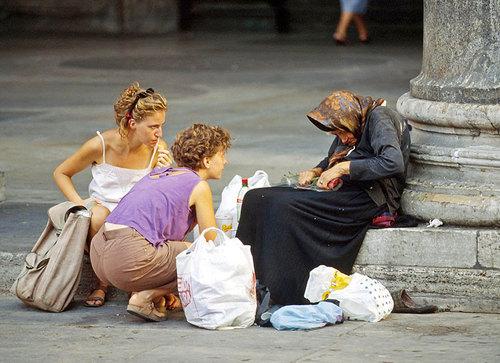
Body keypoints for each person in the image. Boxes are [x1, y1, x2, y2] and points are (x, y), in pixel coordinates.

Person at [236, 90, 410, 306]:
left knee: (282, 206)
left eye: (341, 132)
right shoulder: (354, 123)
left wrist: (343, 169)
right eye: (336, 134)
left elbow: (392, 162)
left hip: (370, 197)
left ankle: (281, 288)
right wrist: (316, 171)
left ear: (349, 118)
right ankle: (245, 282)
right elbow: (331, 159)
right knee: (257, 198)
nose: (343, 139)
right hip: (348, 189)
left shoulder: (378, 117)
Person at [89, 123, 231, 322]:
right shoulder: (198, 186)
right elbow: (210, 240)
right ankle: (145, 296)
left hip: (100, 255)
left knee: (180, 251)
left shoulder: (157, 174)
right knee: (204, 255)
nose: (226, 161)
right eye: (222, 155)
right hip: (128, 257)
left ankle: (153, 292)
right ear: (207, 160)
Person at [53, 82, 172, 307]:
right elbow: (61, 172)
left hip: (137, 212)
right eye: (153, 126)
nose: (159, 133)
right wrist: (80, 206)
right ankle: (101, 282)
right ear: (132, 122)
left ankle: (137, 283)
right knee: (98, 216)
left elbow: (161, 195)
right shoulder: (101, 145)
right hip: (103, 209)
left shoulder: (158, 148)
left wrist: (164, 172)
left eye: (162, 125)